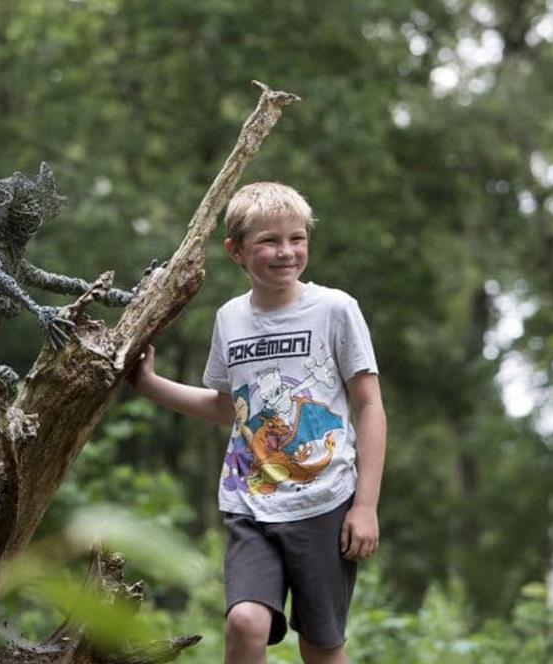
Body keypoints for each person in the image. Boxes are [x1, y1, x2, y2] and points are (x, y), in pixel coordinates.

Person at [130, 182, 387, 664]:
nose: (286, 252)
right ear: (236, 251)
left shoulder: (335, 309)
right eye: (269, 240)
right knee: (245, 622)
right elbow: (229, 408)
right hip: (250, 504)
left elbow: (370, 405)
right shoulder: (230, 319)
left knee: (321, 647)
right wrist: (149, 385)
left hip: (324, 503)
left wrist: (366, 506)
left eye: (297, 238)